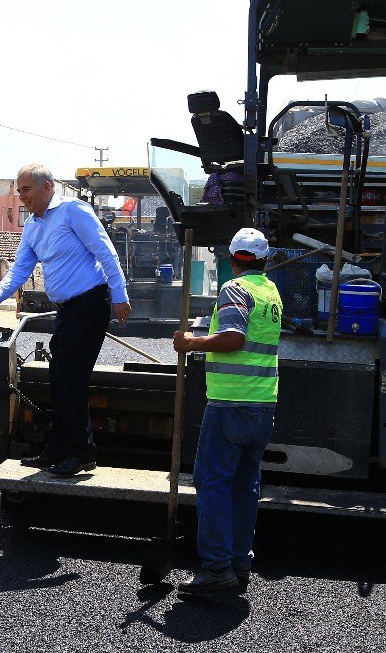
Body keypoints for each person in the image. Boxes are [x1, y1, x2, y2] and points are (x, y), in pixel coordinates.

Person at [0, 163, 131, 476]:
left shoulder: (74, 211)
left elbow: (105, 252)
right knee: (58, 378)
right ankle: (56, 449)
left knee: (71, 378)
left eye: (26, 190)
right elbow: (19, 270)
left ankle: (83, 452)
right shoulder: (33, 226)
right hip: (68, 310)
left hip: (90, 303)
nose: (22, 197)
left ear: (47, 187)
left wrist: (120, 295)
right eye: (19, 191)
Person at [171, 228, 281, 594]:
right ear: (265, 260)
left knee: (212, 483)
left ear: (232, 259)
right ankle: (239, 561)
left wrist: (192, 343)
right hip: (263, 403)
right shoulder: (271, 292)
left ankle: (217, 568)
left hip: (230, 404)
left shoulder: (236, 289)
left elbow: (234, 338)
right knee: (245, 486)